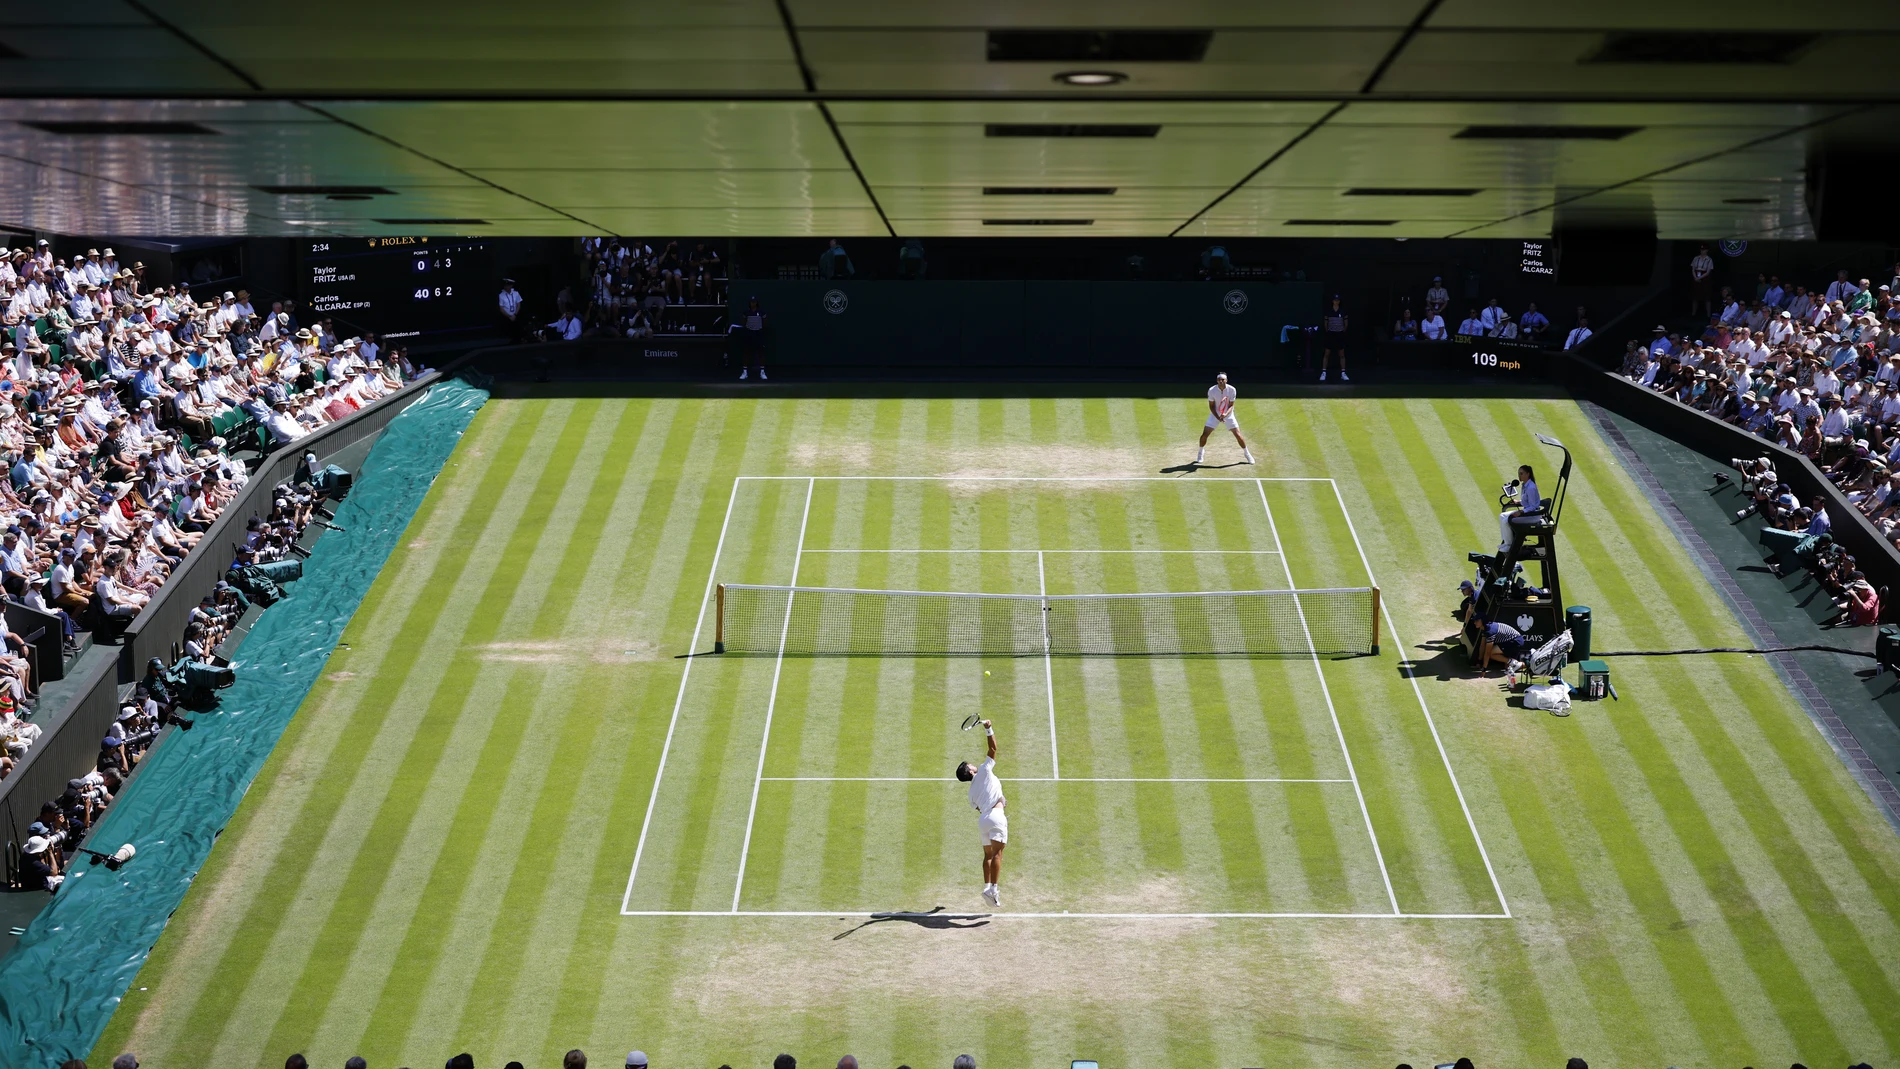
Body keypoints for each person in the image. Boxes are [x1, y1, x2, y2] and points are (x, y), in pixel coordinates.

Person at [954, 719, 1007, 906]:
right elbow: (993, 749)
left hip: (983, 820)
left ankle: (986, 887)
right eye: (969, 764)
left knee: (988, 855)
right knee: (998, 855)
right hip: (996, 817)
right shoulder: (984, 770)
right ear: (970, 770)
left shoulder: (970, 794)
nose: (972, 764)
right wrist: (988, 728)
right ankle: (993, 889)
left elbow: (978, 808)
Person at [1196, 372, 1254, 465]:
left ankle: (1247, 453)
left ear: (1226, 380)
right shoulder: (1211, 390)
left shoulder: (1232, 390)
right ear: (1217, 381)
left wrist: (1225, 414)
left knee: (1238, 435)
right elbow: (1211, 406)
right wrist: (1218, 417)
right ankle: (1200, 452)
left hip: (1229, 414)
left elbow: (1231, 405)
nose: (1221, 381)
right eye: (1219, 380)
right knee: (1204, 435)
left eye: (1223, 380)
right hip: (1215, 414)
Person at [1497, 464, 1543, 552]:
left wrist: (1521, 512)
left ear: (1528, 474)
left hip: (1533, 516)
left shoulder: (1531, 487)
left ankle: (1509, 545)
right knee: (1502, 516)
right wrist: (1518, 502)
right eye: (1519, 474)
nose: (1519, 476)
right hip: (1527, 513)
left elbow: (1533, 506)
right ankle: (1506, 542)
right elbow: (1527, 502)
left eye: (1521, 474)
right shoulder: (1525, 485)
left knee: (1506, 520)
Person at [737, 296, 767, 381]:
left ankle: (762, 372)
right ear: (749, 303)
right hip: (749, 334)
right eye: (751, 302)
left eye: (754, 302)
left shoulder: (762, 312)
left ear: (757, 303)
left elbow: (765, 324)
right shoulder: (746, 312)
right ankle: (745, 372)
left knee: (761, 353)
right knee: (746, 353)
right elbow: (743, 322)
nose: (753, 303)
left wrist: (760, 330)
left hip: (758, 334)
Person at [1320, 294, 1348, 382]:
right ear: (1332, 301)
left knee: (1342, 355)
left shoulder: (1343, 311)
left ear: (1339, 301)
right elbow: (1325, 324)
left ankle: (1343, 373)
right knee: (1326, 354)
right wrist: (1328, 331)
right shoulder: (1328, 311)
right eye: (1335, 300)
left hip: (1340, 335)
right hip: (1330, 335)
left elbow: (1346, 323)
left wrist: (1342, 331)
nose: (1336, 301)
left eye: (1338, 300)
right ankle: (1324, 373)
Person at [1690, 243, 1715, 317]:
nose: (1702, 251)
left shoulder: (1709, 259)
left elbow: (1708, 271)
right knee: (1695, 297)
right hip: (1696, 276)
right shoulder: (1696, 258)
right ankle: (1693, 314)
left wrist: (1700, 278)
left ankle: (1708, 315)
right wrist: (1695, 277)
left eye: (1704, 250)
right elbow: (1693, 269)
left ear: (1707, 250)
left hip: (1704, 278)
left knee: (1707, 297)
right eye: (1701, 250)